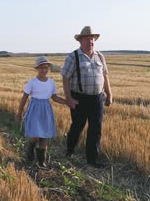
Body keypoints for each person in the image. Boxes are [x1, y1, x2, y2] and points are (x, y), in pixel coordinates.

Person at [61, 26, 113, 168]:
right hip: (79, 98)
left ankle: (92, 159)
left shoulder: (100, 56)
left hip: (97, 98)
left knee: (96, 129)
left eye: (92, 38)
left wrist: (109, 94)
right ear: (80, 41)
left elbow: (105, 76)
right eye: (87, 38)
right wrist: (69, 99)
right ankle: (69, 151)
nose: (90, 41)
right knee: (77, 127)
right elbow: (65, 78)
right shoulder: (73, 56)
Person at [15, 56, 68, 167]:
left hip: (46, 109)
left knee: (44, 135)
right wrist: (19, 113)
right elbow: (24, 97)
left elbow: (54, 97)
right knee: (35, 135)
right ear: (37, 69)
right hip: (34, 108)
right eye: (41, 68)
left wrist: (67, 102)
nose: (44, 70)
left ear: (48, 68)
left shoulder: (51, 82)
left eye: (46, 68)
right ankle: (30, 147)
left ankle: (41, 161)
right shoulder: (32, 82)